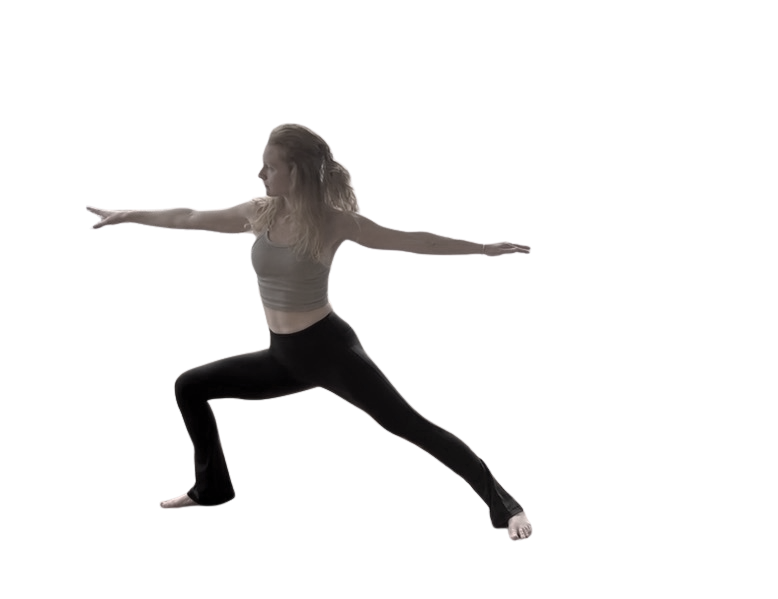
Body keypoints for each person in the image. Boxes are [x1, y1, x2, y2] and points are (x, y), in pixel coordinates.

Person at [87, 122, 533, 541]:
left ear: (295, 172)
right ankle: (211, 489)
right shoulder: (259, 213)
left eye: (270, 165)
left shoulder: (335, 220)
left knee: (412, 426)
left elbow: (412, 240)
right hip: (283, 355)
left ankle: (509, 507)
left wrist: (481, 249)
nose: (261, 172)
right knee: (189, 385)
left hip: (329, 351)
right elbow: (189, 216)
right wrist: (127, 215)